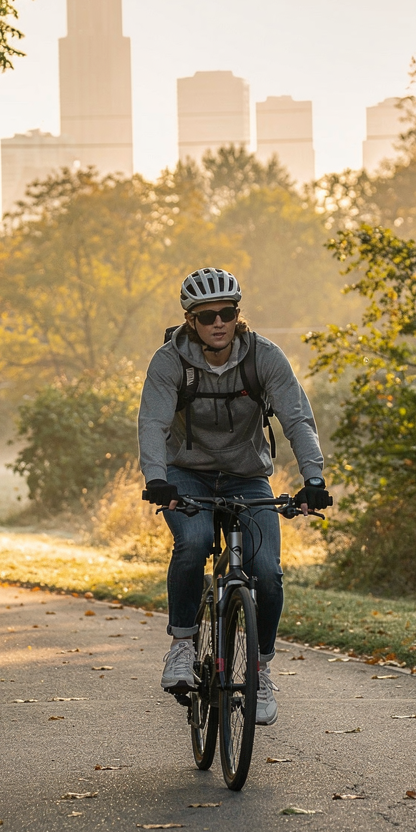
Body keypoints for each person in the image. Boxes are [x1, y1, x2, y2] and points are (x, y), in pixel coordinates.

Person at [138, 267, 332, 726]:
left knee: (267, 572)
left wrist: (315, 480)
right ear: (191, 321)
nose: (218, 322)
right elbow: (153, 424)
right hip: (187, 476)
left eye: (226, 313)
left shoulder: (264, 357)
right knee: (192, 542)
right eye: (207, 316)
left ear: (237, 314)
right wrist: (156, 478)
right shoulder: (169, 363)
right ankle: (182, 647)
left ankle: (261, 670)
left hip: (247, 477)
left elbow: (297, 419)